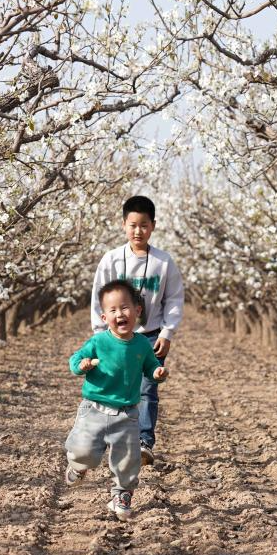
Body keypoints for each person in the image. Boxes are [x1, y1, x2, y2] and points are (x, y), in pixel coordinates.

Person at [91, 195, 184, 466]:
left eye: (144, 225)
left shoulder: (163, 262)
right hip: (116, 336)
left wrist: (167, 333)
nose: (138, 231)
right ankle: (117, 438)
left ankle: (144, 442)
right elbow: (99, 295)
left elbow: (174, 299)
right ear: (123, 225)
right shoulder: (111, 261)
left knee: (147, 389)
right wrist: (100, 336)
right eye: (133, 225)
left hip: (151, 336)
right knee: (117, 387)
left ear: (153, 226)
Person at [65, 280, 169, 521]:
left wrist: (157, 373)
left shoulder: (142, 344)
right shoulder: (99, 342)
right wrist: (81, 366)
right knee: (84, 452)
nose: (119, 314)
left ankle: (121, 495)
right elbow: (75, 360)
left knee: (127, 459)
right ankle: (78, 465)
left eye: (125, 308)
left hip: (127, 413)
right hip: (94, 410)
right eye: (112, 310)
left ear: (137, 311)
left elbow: (151, 366)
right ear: (104, 317)